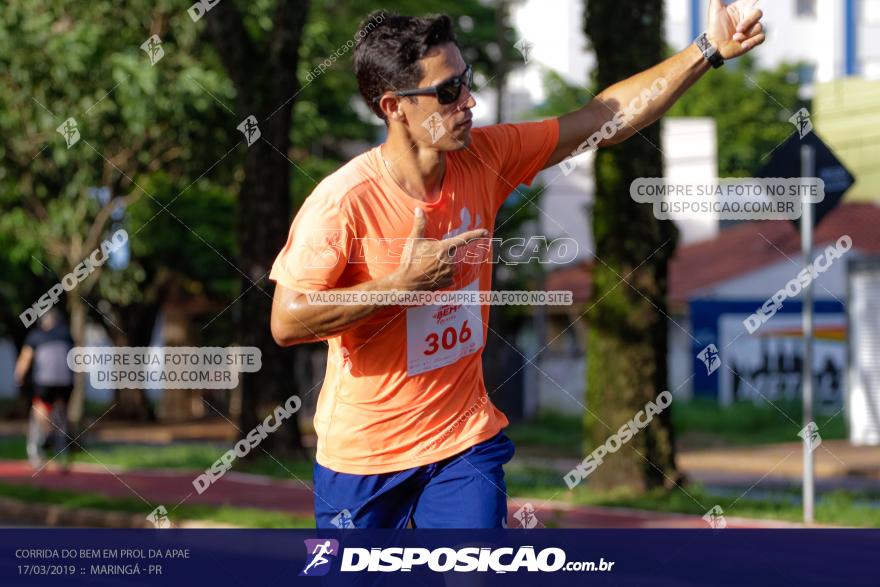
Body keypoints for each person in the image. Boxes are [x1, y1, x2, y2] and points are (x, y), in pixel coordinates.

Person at [269, 1, 765, 528]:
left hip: (462, 443)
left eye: (466, 80)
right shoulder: (343, 200)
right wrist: (400, 284)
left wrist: (707, 50)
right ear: (394, 106)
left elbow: (604, 118)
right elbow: (286, 320)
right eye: (447, 92)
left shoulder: (486, 156)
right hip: (365, 458)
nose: (469, 101)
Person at [14, 308, 75, 469]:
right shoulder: (66, 334)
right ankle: (61, 445)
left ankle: (43, 438)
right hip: (65, 383)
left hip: (44, 383)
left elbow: (25, 358)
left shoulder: (36, 336)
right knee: (61, 410)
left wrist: (19, 376)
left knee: (40, 408)